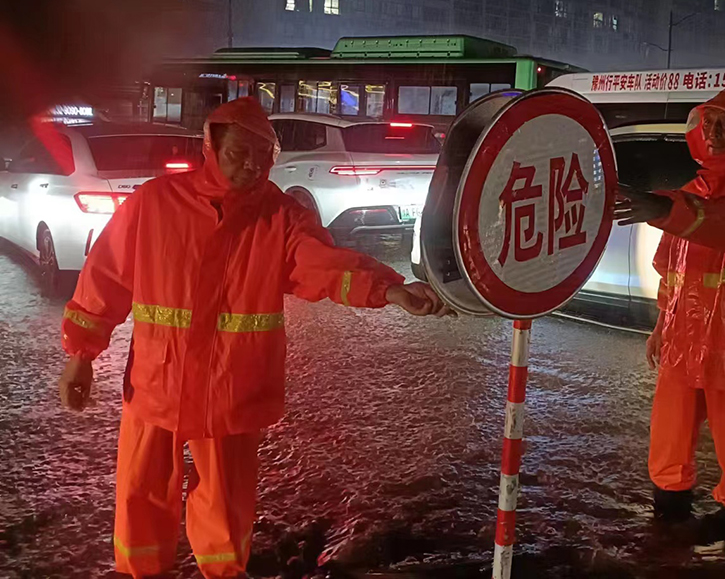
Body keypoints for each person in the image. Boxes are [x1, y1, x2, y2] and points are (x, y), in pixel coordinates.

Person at [57, 97, 452, 579]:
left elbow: (324, 267)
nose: (251, 166)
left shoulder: (280, 218)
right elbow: (105, 279)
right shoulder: (154, 204)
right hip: (155, 387)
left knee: (225, 510)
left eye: (262, 157)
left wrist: (389, 290)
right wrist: (81, 354)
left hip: (231, 394)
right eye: (239, 153)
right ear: (209, 145)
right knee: (141, 496)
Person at [615, 86, 725, 534]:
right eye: (706, 123)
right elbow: (670, 267)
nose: (711, 131)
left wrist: (662, 208)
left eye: (723, 123)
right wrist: (659, 326)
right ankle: (669, 513)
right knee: (670, 429)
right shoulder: (692, 190)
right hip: (683, 334)